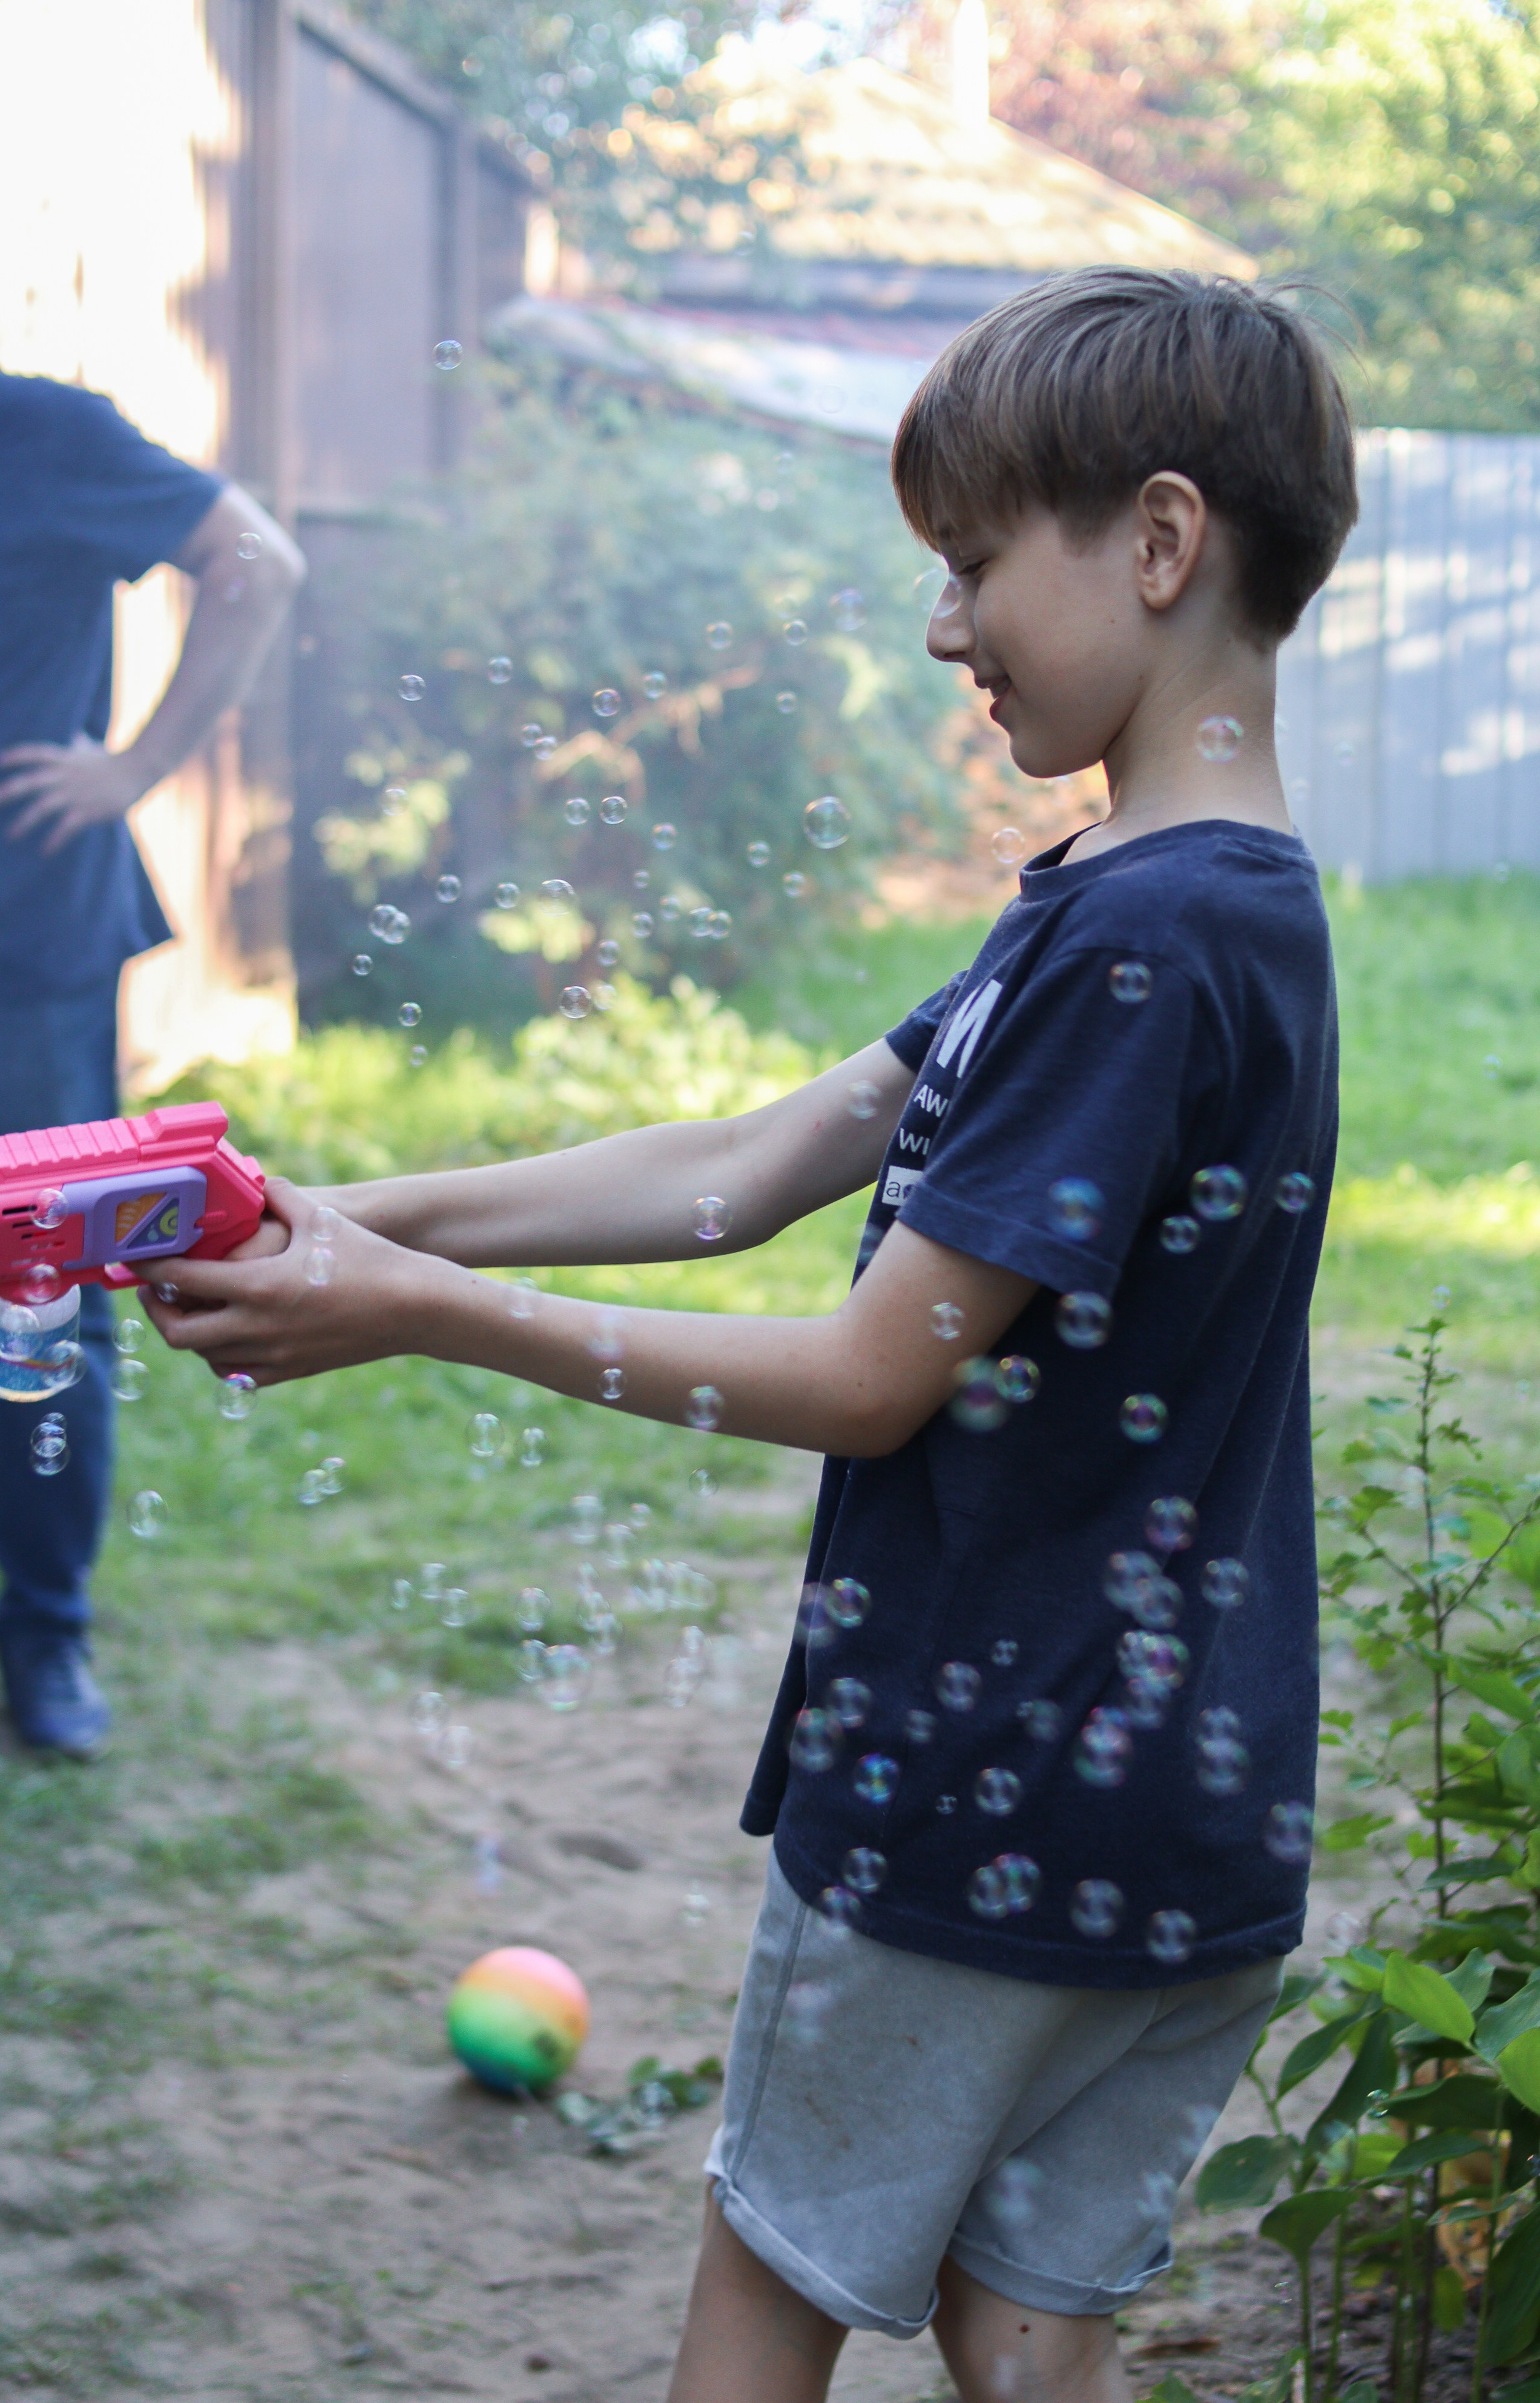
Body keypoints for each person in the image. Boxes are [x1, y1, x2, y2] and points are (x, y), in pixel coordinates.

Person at [143, 268, 1357, 2403]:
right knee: (1031, 2322)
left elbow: (874, 1372)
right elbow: (765, 1151)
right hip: (1186, 1806)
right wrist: (349, 1213)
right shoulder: (1178, 903)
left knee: (765, 2296)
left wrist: (416, 1313)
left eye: (976, 563)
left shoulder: (1142, 942)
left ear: (1160, 544)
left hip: (979, 1782)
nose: (941, 626)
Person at [0, 370, 303, 1757]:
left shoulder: (39, 431)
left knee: (34, 1292)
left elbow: (258, 556)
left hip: (29, 949)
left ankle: (46, 1632)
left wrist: (133, 770)